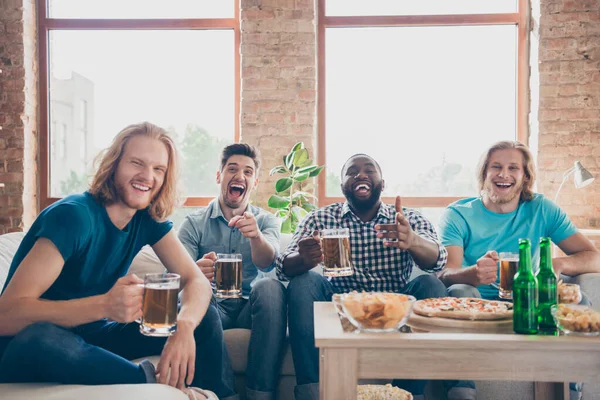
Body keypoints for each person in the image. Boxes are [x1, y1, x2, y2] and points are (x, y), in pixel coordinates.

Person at [0, 122, 238, 400]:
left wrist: (184, 327)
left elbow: (194, 279)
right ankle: (150, 382)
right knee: (42, 337)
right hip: (33, 346)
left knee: (201, 315)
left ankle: (220, 396)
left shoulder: (147, 218)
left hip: (97, 337)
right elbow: (7, 316)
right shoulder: (73, 217)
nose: (147, 176)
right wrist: (104, 305)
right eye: (136, 163)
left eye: (158, 169)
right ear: (113, 165)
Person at [276, 153, 448, 400]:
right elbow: (282, 267)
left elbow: (439, 260)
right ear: (343, 185)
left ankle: (408, 394)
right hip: (338, 306)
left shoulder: (405, 219)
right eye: (352, 171)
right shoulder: (320, 218)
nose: (361, 174)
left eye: (369, 169)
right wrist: (303, 259)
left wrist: (413, 241)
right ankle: (312, 393)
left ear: (382, 183)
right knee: (304, 282)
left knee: (431, 284)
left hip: (395, 308)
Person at [438, 140, 600, 400]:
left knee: (579, 298)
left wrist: (557, 264)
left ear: (525, 177)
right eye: (496, 167)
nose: (504, 174)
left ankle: (570, 389)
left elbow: (594, 257)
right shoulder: (458, 214)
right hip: (478, 306)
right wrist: (472, 273)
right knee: (459, 288)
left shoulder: (542, 208)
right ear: (484, 174)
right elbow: (445, 273)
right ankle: (462, 391)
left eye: (513, 168)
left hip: (531, 302)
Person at [178, 143, 286, 400]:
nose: (240, 176)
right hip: (214, 305)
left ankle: (259, 394)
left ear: (255, 182)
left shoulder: (266, 221)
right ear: (219, 176)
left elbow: (268, 263)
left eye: (248, 172)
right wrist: (195, 272)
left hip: (252, 307)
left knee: (270, 287)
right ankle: (223, 395)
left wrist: (256, 237)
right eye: (232, 169)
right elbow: (176, 276)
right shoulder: (194, 223)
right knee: (198, 297)